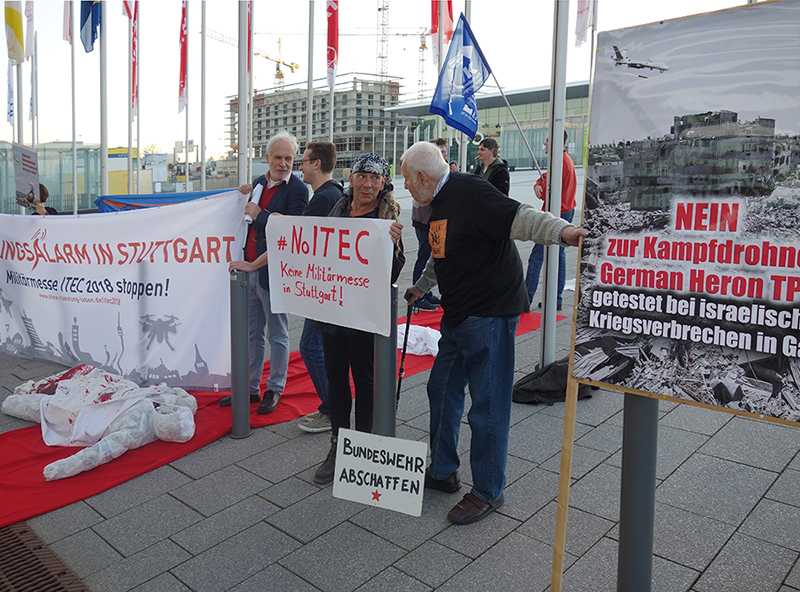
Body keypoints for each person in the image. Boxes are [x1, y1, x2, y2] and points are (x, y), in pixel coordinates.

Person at [401, 141, 587, 525]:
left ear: (422, 176)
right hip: (458, 313)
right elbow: (441, 251)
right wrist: (422, 286)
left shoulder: (471, 191)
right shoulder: (438, 201)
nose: (404, 186)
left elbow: (522, 217)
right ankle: (443, 470)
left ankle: (488, 490)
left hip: (490, 313)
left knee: (487, 406)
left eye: (405, 178)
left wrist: (565, 231)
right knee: (441, 388)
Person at [313, 153, 405, 485]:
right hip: (333, 312)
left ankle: (362, 447)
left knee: (365, 380)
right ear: (351, 179)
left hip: (365, 314)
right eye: (362, 176)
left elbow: (393, 273)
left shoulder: (387, 219)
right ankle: (337, 443)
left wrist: (391, 245)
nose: (367, 184)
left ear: (383, 184)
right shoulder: (336, 211)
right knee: (336, 377)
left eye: (375, 178)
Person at [224, 131, 308, 414]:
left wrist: (259, 214)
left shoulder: (298, 190)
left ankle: (275, 388)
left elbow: (291, 231)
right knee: (252, 335)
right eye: (278, 157)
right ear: (267, 158)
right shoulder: (259, 183)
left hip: (274, 273)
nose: (283, 163)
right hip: (247, 271)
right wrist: (239, 198)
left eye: (289, 158)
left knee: (278, 334)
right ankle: (250, 388)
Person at [296, 141, 344, 433]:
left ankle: (332, 410)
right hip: (328, 286)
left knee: (310, 347)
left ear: (316, 164)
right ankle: (334, 407)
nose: (299, 167)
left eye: (303, 161)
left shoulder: (323, 199)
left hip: (323, 287)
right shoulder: (333, 193)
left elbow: (299, 238)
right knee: (320, 348)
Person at [525, 130, 577, 311]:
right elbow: (543, 179)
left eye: (547, 140)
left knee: (536, 258)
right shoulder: (563, 160)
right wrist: (537, 184)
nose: (545, 143)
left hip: (556, 213)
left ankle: (526, 298)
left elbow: (545, 189)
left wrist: (539, 186)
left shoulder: (559, 162)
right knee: (558, 255)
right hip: (565, 210)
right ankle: (556, 298)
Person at [409, 138, 448, 312]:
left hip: (430, 221)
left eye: (445, 151)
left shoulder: (438, 171)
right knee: (424, 257)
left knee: (430, 256)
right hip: (424, 221)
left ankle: (426, 292)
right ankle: (419, 297)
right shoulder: (425, 172)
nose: (445, 155)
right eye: (442, 151)